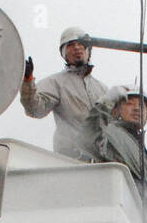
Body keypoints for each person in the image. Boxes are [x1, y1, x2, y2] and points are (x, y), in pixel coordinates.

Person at [19, 27, 108, 157]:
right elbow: (35, 109)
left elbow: (114, 124)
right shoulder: (56, 83)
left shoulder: (102, 89)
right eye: (71, 45)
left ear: (88, 51)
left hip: (101, 164)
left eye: (81, 44)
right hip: (71, 161)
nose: (77, 48)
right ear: (64, 53)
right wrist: (28, 81)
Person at [79, 85, 147, 201]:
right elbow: (89, 135)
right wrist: (106, 102)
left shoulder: (140, 149)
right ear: (115, 111)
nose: (136, 108)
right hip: (115, 205)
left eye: (141, 105)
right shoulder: (111, 132)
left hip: (136, 215)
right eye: (129, 103)